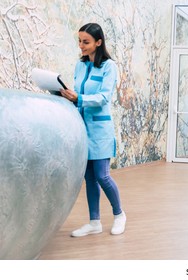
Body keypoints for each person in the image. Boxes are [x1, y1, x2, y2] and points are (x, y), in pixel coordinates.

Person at [60, 23, 126, 236]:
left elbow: (104, 98)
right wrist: (66, 96)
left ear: (99, 42)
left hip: (100, 130)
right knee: (89, 178)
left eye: (86, 42)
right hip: (82, 129)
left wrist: (79, 97)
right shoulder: (80, 66)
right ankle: (94, 222)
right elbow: (79, 95)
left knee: (102, 176)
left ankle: (119, 214)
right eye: (79, 41)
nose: (81, 46)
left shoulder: (109, 67)